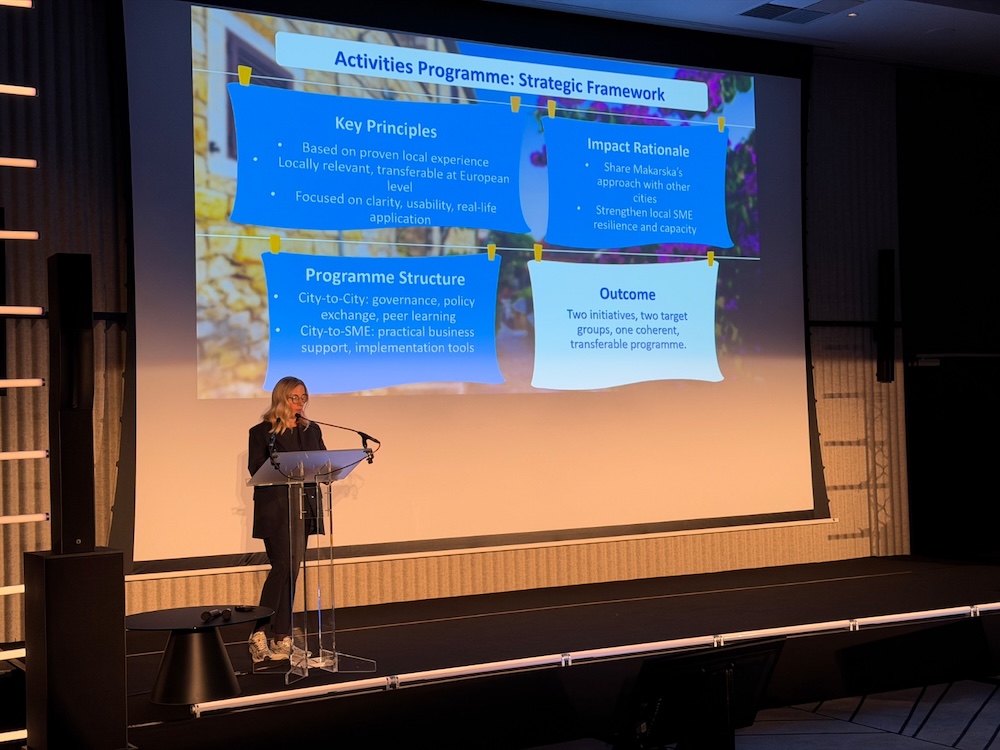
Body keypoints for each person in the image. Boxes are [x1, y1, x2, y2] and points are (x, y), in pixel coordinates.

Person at [246, 376, 326, 663]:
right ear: (281, 398)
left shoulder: (311, 430)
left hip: (303, 506)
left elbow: (323, 462)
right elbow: (256, 468)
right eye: (295, 398)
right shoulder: (261, 432)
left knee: (293, 568)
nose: (300, 403)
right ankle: (258, 633)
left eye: (303, 397)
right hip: (276, 508)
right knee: (281, 566)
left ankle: (281, 636)